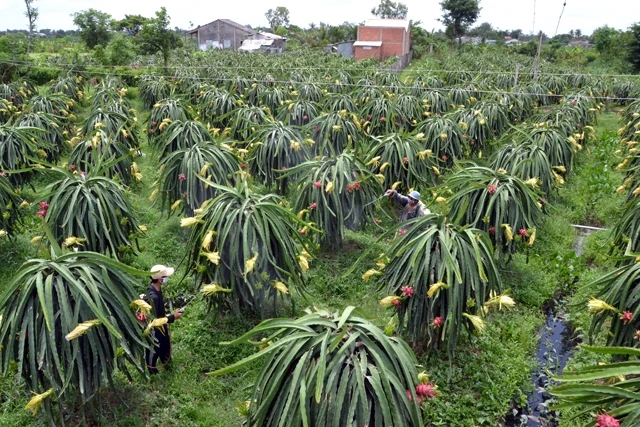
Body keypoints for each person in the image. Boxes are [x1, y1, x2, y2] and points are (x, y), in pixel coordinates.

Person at [145, 264, 183, 374]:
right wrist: (172, 317)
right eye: (165, 276)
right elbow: (154, 320)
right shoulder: (153, 297)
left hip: (162, 325)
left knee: (165, 344)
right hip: (154, 328)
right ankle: (152, 371)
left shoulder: (156, 289)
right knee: (154, 348)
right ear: (160, 279)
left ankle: (168, 364)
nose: (167, 278)